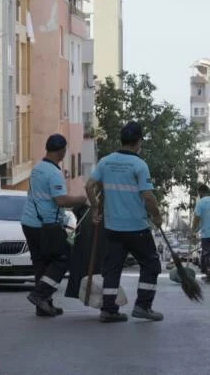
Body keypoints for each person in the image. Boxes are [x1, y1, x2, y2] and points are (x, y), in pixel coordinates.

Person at [85, 121, 164, 323]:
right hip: (136, 226)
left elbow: (89, 186)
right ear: (138, 142)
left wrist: (95, 208)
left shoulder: (105, 162)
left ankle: (109, 309)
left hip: (112, 227)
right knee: (151, 264)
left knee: (112, 268)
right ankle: (143, 306)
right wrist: (156, 215)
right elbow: (147, 196)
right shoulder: (139, 165)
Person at [21, 133, 88, 317]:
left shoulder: (37, 168)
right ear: (62, 151)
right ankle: (40, 295)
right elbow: (61, 200)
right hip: (46, 224)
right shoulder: (54, 173)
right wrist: (81, 199)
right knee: (63, 257)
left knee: (42, 263)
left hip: (29, 222)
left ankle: (44, 306)